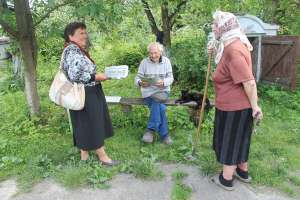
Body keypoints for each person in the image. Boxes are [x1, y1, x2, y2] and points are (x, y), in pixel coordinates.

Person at [207, 11, 263, 190]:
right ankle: (242, 171)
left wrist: (255, 107)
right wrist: (214, 50)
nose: (213, 27)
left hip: (235, 107)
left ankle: (226, 179)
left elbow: (249, 82)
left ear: (225, 27)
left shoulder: (234, 49)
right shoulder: (230, 44)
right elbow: (227, 65)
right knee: (241, 139)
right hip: (234, 105)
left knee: (231, 141)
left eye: (215, 24)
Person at [62, 22, 118, 166]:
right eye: (81, 33)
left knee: (82, 123)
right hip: (86, 92)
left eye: (85, 32)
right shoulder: (73, 50)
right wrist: (96, 77)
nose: (85, 35)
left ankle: (84, 155)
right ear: (71, 35)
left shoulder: (74, 50)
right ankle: (102, 156)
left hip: (83, 92)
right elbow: (76, 75)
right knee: (94, 123)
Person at [135, 42, 174, 145]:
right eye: (151, 53)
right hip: (148, 92)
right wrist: (140, 83)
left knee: (157, 101)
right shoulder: (144, 62)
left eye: (155, 53)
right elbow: (137, 78)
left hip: (162, 91)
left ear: (160, 52)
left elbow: (171, 78)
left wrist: (164, 82)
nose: (153, 55)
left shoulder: (166, 61)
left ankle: (150, 130)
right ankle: (165, 135)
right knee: (161, 107)